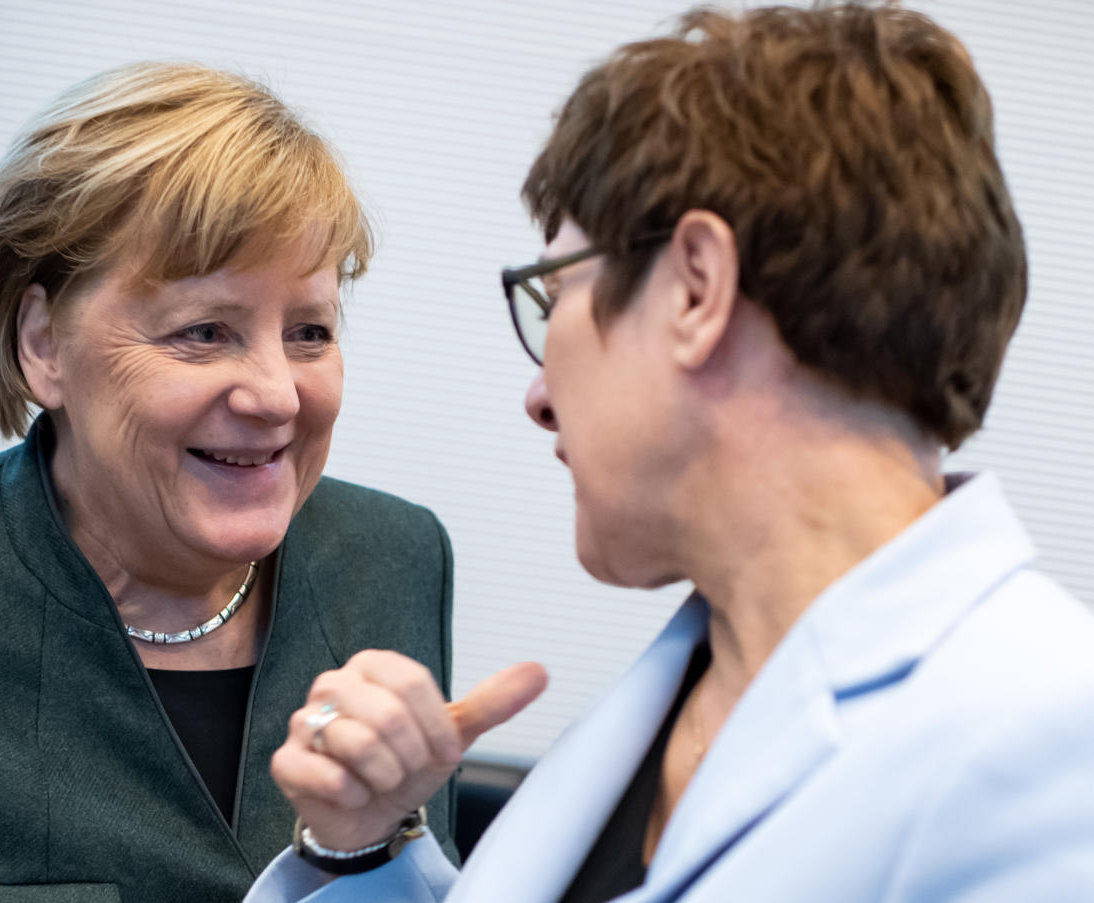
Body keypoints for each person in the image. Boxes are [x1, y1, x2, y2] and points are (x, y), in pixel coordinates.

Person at [246, 4, 1094, 901]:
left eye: (554, 292)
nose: (538, 396)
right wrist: (360, 850)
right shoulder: (687, 683)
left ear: (696, 288)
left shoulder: (1052, 741)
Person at [0, 62, 457, 902]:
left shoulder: (394, 559)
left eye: (309, 330)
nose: (278, 393)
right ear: (43, 345)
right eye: (205, 331)